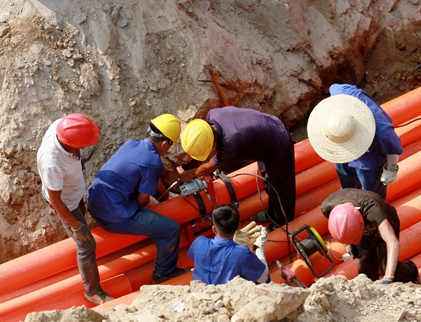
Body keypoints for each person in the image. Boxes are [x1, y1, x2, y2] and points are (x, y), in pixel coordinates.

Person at [87, 114, 190, 284]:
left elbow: (149, 176)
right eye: (170, 145)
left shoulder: (131, 144)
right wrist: (160, 202)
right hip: (114, 216)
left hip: (94, 203)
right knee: (170, 229)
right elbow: (143, 201)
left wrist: (164, 195)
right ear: (165, 143)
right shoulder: (153, 162)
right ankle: (164, 272)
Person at [37, 113, 113, 306]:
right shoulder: (52, 164)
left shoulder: (61, 127)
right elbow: (56, 201)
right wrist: (76, 226)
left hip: (71, 191)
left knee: (81, 215)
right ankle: (92, 291)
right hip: (65, 203)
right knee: (87, 244)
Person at [179, 106, 296, 229]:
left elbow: (209, 168)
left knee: (279, 187)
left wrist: (188, 174)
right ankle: (272, 213)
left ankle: (282, 222)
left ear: (213, 144)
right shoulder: (212, 114)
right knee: (268, 182)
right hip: (264, 137)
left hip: (277, 141)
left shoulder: (230, 141)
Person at [307, 83, 403, 200]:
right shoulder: (339, 91)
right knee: (348, 186)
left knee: (372, 196)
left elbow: (393, 146)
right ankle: (351, 200)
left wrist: (391, 169)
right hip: (341, 150)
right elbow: (332, 87)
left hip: (369, 160)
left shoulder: (382, 131)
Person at [321, 188, 419, 284]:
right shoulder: (327, 208)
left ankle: (412, 272)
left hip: (386, 222)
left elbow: (393, 242)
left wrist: (388, 278)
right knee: (365, 270)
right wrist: (349, 244)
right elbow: (341, 227)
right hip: (358, 226)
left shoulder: (372, 209)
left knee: (387, 266)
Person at [188, 204, 269, 285]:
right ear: (239, 227)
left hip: (201, 290)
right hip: (227, 291)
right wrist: (259, 248)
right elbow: (264, 278)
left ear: (214, 229)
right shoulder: (242, 253)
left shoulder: (199, 242)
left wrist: (234, 244)